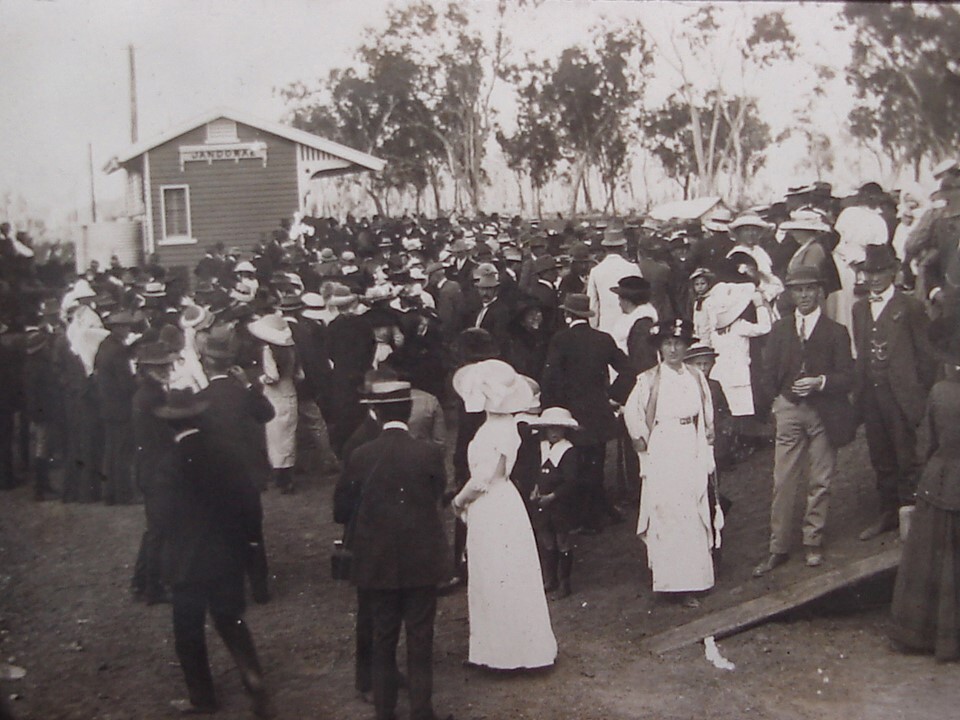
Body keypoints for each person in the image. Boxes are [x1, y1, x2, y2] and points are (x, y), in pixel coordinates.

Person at [336, 379, 453, 720]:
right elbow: (437, 494)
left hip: (377, 561)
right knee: (421, 636)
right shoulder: (428, 453)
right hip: (421, 558)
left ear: (376, 410)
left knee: (383, 636)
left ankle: (384, 711)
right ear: (409, 409)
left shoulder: (360, 455)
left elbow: (341, 509)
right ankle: (422, 710)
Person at [155, 389, 272, 718]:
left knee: (188, 632)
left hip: (187, 562)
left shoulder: (169, 464)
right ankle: (253, 678)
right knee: (231, 621)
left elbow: (161, 517)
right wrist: (250, 541)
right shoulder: (225, 453)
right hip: (227, 555)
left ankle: (202, 697)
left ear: (170, 425)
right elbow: (249, 501)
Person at [451, 359, 557, 670]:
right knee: (499, 571)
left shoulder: (498, 430)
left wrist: (458, 501)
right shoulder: (501, 426)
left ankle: (508, 653)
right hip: (499, 501)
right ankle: (498, 650)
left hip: (493, 502)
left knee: (499, 571)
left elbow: (485, 478)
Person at [753, 265, 857, 577]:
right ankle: (778, 547)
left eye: (810, 288)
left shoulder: (836, 331)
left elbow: (848, 377)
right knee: (783, 480)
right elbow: (766, 370)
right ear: (790, 294)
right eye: (798, 289)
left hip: (824, 412)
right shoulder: (781, 329)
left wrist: (820, 382)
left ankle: (813, 540)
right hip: (789, 410)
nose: (804, 295)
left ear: (820, 292)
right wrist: (777, 401)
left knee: (820, 479)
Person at [623, 319, 717, 608]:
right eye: (667, 343)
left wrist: (707, 441)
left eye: (678, 343)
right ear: (660, 347)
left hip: (690, 442)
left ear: (686, 347)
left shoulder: (695, 376)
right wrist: (642, 442)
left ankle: (695, 580)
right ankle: (671, 583)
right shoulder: (648, 379)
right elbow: (632, 412)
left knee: (692, 508)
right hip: (663, 445)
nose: (673, 349)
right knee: (667, 510)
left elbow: (707, 412)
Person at [851, 244, 936, 540]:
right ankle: (888, 512)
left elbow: (926, 356)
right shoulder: (859, 308)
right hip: (872, 395)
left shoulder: (909, 306)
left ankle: (913, 513)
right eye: (869, 272)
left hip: (900, 394)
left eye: (880, 271)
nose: (874, 278)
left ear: (893, 272)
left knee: (906, 454)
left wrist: (918, 392)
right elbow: (862, 352)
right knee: (880, 454)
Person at [541, 294, 637, 534]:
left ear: (567, 315)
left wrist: (551, 409)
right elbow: (628, 370)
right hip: (598, 412)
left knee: (574, 464)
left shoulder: (560, 339)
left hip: (571, 413)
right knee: (595, 464)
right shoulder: (603, 339)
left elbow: (550, 378)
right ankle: (596, 513)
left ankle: (580, 516)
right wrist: (613, 396)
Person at [889, 340, 960, 660]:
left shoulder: (940, 392)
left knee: (932, 559)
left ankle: (923, 634)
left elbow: (928, 443)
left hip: (941, 479)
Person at [527, 407, 582, 600]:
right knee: (546, 538)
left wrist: (552, 496)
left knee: (562, 540)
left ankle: (564, 582)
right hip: (542, 502)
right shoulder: (541, 448)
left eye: (558, 428)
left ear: (565, 429)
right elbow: (536, 472)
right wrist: (535, 488)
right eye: (550, 428)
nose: (554, 432)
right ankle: (550, 579)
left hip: (560, 503)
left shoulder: (568, 451)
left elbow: (571, 481)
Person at [247, 313, 302, 493]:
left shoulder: (268, 350)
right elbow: (300, 375)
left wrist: (259, 379)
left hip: (275, 395)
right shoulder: (292, 350)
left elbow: (272, 376)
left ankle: (281, 478)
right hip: (290, 392)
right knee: (288, 436)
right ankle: (288, 475)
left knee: (275, 437)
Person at [586, 227, 642, 334]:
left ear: (605, 248)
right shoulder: (632, 268)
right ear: (623, 247)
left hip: (606, 325)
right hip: (630, 324)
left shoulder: (596, 271)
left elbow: (593, 303)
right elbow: (640, 298)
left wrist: (594, 326)